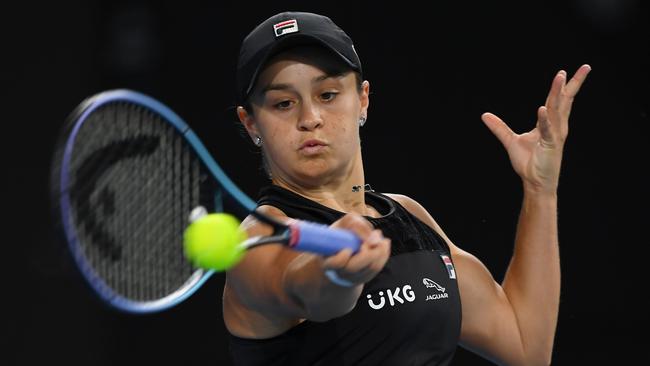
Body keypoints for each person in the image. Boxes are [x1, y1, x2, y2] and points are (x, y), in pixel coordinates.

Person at [223, 11, 591, 366]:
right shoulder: (259, 241)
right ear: (251, 123)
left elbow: (526, 345)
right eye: (283, 103)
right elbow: (311, 290)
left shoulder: (410, 219)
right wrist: (339, 274)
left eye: (328, 94)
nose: (310, 118)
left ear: (362, 99)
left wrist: (541, 189)